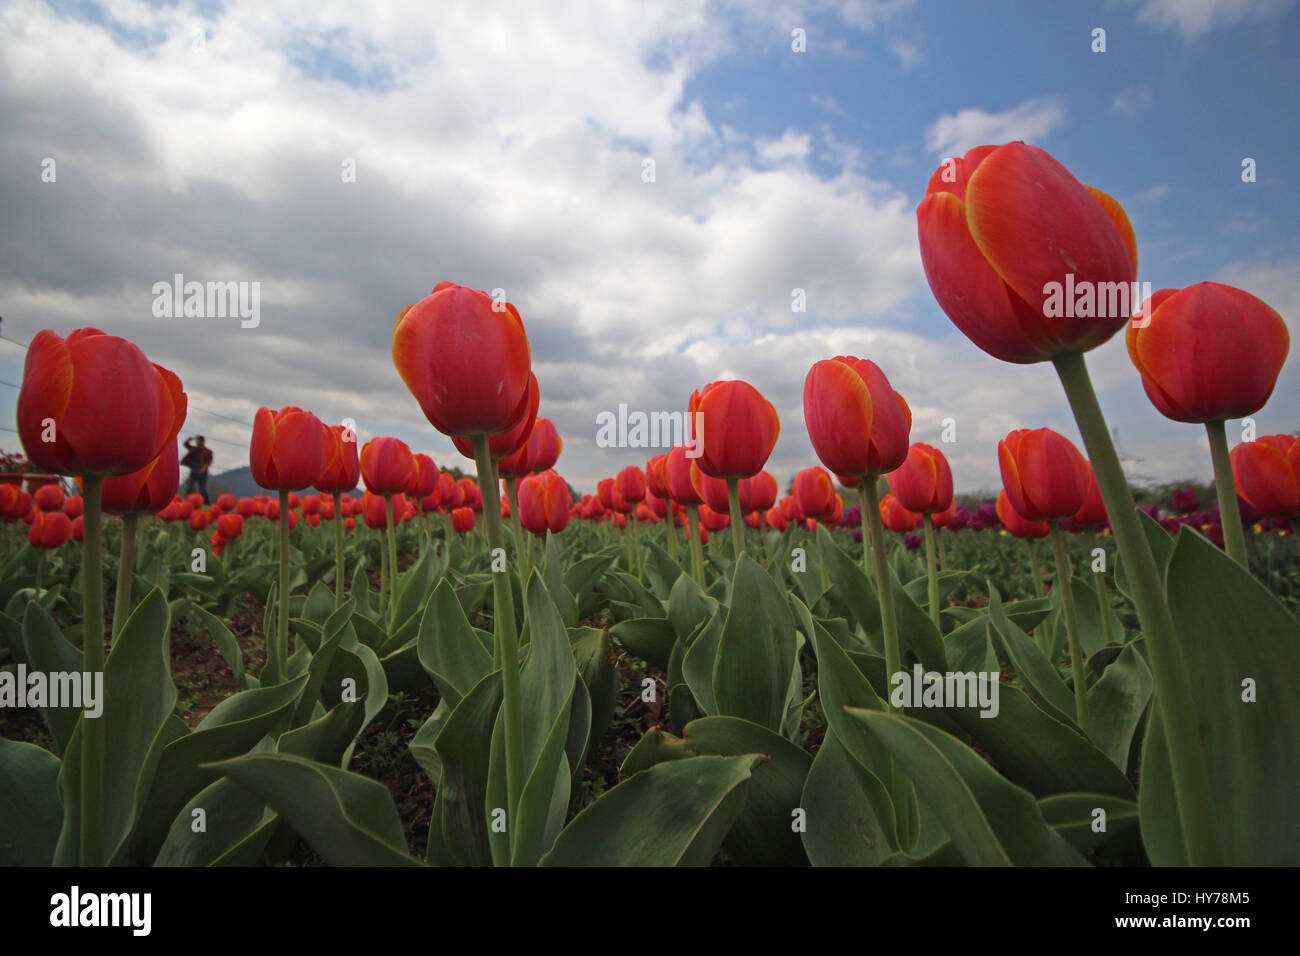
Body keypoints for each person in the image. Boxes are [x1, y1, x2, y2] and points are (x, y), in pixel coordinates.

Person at [182, 436, 213, 503]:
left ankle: (206, 502)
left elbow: (208, 462)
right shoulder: (194, 449)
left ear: (202, 441)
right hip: (193, 469)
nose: (197, 442)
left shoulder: (208, 451)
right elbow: (185, 444)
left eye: (198, 440)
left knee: (202, 488)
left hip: (201, 471)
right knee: (190, 486)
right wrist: (190, 439)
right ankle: (187, 501)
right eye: (196, 441)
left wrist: (204, 468)